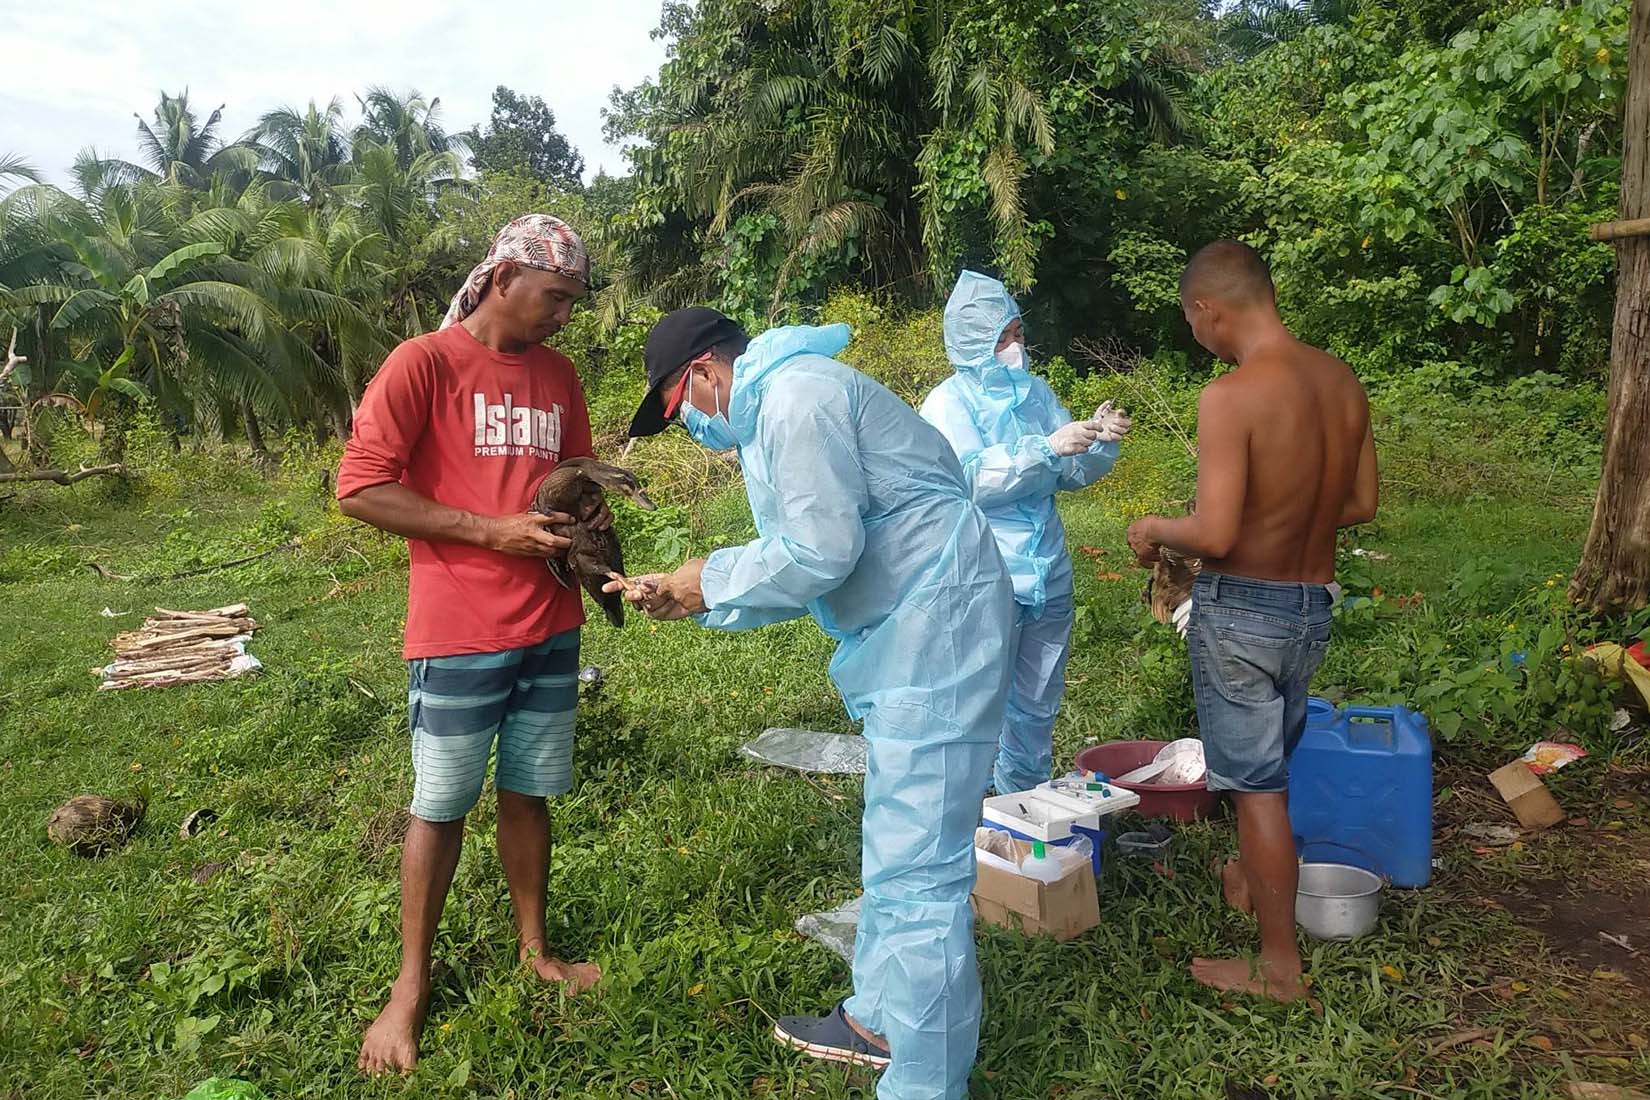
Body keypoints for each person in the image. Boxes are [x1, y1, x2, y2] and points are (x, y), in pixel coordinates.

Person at [609, 308, 1015, 1100]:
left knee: (920, 869)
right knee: (898, 843)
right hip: (916, 630)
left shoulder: (797, 399)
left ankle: (926, 1083)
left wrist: (706, 579)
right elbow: (819, 557)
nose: (689, 425)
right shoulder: (779, 407)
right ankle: (877, 1019)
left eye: (676, 409)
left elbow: (819, 551)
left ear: (703, 373)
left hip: (938, 634)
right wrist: (700, 595)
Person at [337, 214, 608, 1076]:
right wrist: (490, 534)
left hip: (550, 624)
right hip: (458, 629)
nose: (565, 316)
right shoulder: (424, 363)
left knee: (530, 795)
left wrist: (598, 553)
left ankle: (536, 951)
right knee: (441, 805)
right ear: (503, 279)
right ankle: (409, 987)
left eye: (572, 302)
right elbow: (361, 489)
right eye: (556, 297)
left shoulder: (560, 376)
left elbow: (577, 483)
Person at [1126, 240, 1378, 1003]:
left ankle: (1278, 967)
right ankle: (1249, 874)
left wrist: (1154, 527)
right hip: (1311, 607)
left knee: (1258, 787)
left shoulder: (1231, 396)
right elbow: (1361, 505)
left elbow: (1219, 533)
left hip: (1244, 612)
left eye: (1191, 322)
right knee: (1269, 767)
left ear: (1209, 310)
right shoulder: (1339, 380)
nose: (1196, 336)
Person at [920, 271, 1132, 795]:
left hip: (1047, 568)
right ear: (973, 342)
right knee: (974, 701)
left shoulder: (1035, 394)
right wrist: (1043, 448)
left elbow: (1069, 472)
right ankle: (963, 808)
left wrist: (1097, 439)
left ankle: (1022, 803)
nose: (1017, 346)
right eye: (1005, 337)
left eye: (1018, 333)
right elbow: (964, 480)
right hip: (985, 572)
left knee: (1037, 700)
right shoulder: (946, 405)